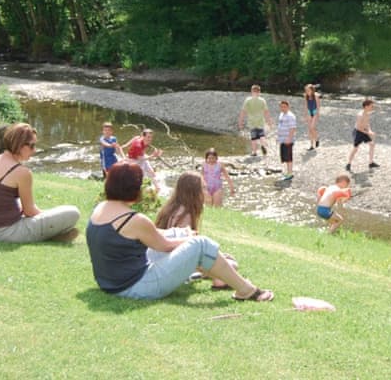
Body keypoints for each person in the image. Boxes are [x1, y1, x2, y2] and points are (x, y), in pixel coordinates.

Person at [86, 162, 273, 301]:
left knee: (178, 233)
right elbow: (164, 246)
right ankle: (247, 291)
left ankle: (215, 270)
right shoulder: (133, 219)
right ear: (134, 188)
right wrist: (190, 239)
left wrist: (182, 235)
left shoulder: (101, 209)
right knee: (201, 244)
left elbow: (153, 237)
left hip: (111, 282)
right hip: (136, 286)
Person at [0, 122, 80, 243]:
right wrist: (45, 215)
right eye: (32, 146)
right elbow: (30, 212)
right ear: (19, 144)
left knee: (19, 202)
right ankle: (53, 234)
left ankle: (53, 234)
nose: (34, 150)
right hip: (7, 233)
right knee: (73, 212)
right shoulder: (21, 172)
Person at [153, 171, 237, 290]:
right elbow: (183, 250)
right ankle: (218, 280)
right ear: (193, 192)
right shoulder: (184, 215)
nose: (206, 192)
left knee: (226, 260)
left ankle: (215, 276)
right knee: (231, 264)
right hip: (171, 265)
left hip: (163, 261)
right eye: (203, 188)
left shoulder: (173, 208)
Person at [238, 84, 274, 157]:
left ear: (251, 91)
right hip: (260, 122)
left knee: (253, 138)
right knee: (261, 136)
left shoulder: (248, 100)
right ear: (259, 92)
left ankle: (254, 152)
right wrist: (269, 122)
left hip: (252, 122)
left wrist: (240, 122)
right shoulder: (262, 100)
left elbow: (243, 112)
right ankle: (263, 145)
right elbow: (266, 112)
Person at [346, 98, 379, 172]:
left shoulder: (367, 113)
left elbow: (367, 124)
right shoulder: (360, 115)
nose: (373, 108)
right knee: (355, 149)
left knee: (372, 144)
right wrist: (368, 133)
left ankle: (371, 163)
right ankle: (348, 163)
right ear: (366, 106)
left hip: (364, 131)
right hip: (358, 132)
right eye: (371, 106)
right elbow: (358, 127)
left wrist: (370, 130)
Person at [276, 100, 297, 180]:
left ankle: (290, 173)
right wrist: (278, 137)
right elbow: (280, 126)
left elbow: (293, 128)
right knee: (284, 156)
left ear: (288, 107)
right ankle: (287, 172)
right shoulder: (281, 115)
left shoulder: (290, 116)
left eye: (284, 107)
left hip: (288, 139)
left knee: (288, 157)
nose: (283, 108)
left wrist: (289, 138)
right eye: (281, 107)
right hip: (282, 139)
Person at [303, 84, 321, 150]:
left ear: (312, 90)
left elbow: (318, 106)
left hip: (315, 112)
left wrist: (318, 114)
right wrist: (305, 114)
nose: (307, 91)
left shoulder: (316, 96)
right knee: (310, 129)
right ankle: (311, 145)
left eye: (308, 90)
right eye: (306, 90)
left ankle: (317, 139)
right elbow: (305, 105)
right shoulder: (306, 96)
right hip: (309, 112)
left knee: (312, 127)